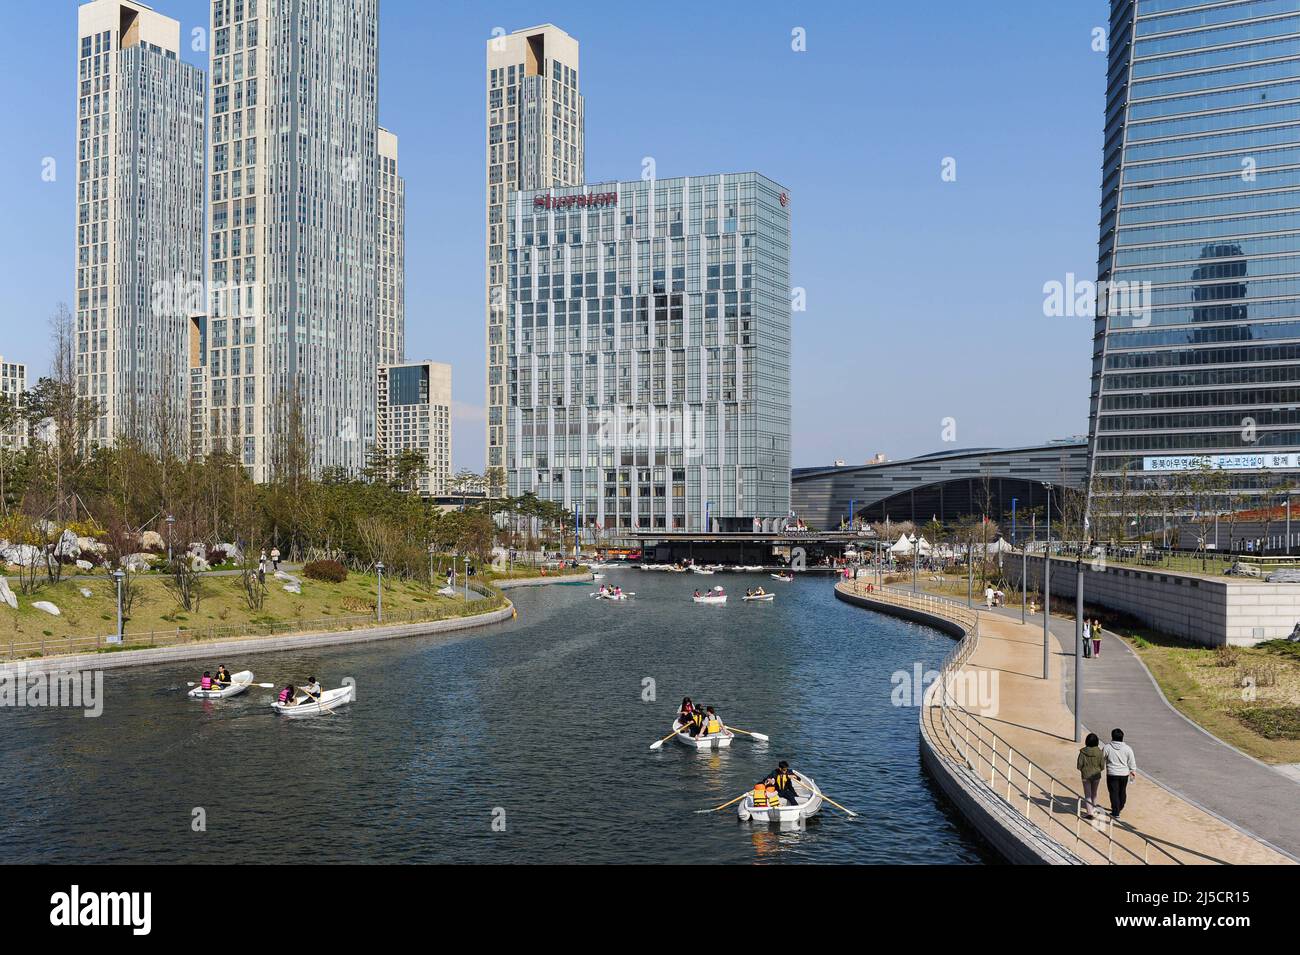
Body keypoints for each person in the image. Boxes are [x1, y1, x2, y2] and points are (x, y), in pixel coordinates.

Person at [1103, 728, 1138, 820]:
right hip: (1124, 774)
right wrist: (1133, 772)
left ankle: (1116, 811)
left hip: (1112, 774)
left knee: (1113, 792)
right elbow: (1132, 762)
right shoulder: (1128, 749)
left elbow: (1101, 759)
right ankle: (1120, 806)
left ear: (1112, 737)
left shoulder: (1107, 747)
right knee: (1122, 791)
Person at [1076, 733, 1105, 819]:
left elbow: (1079, 765)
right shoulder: (1099, 752)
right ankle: (1094, 809)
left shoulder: (1083, 752)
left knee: (1087, 794)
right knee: (1094, 793)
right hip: (1096, 775)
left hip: (1086, 776)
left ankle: (1089, 813)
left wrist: (1083, 769)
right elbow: (1102, 765)